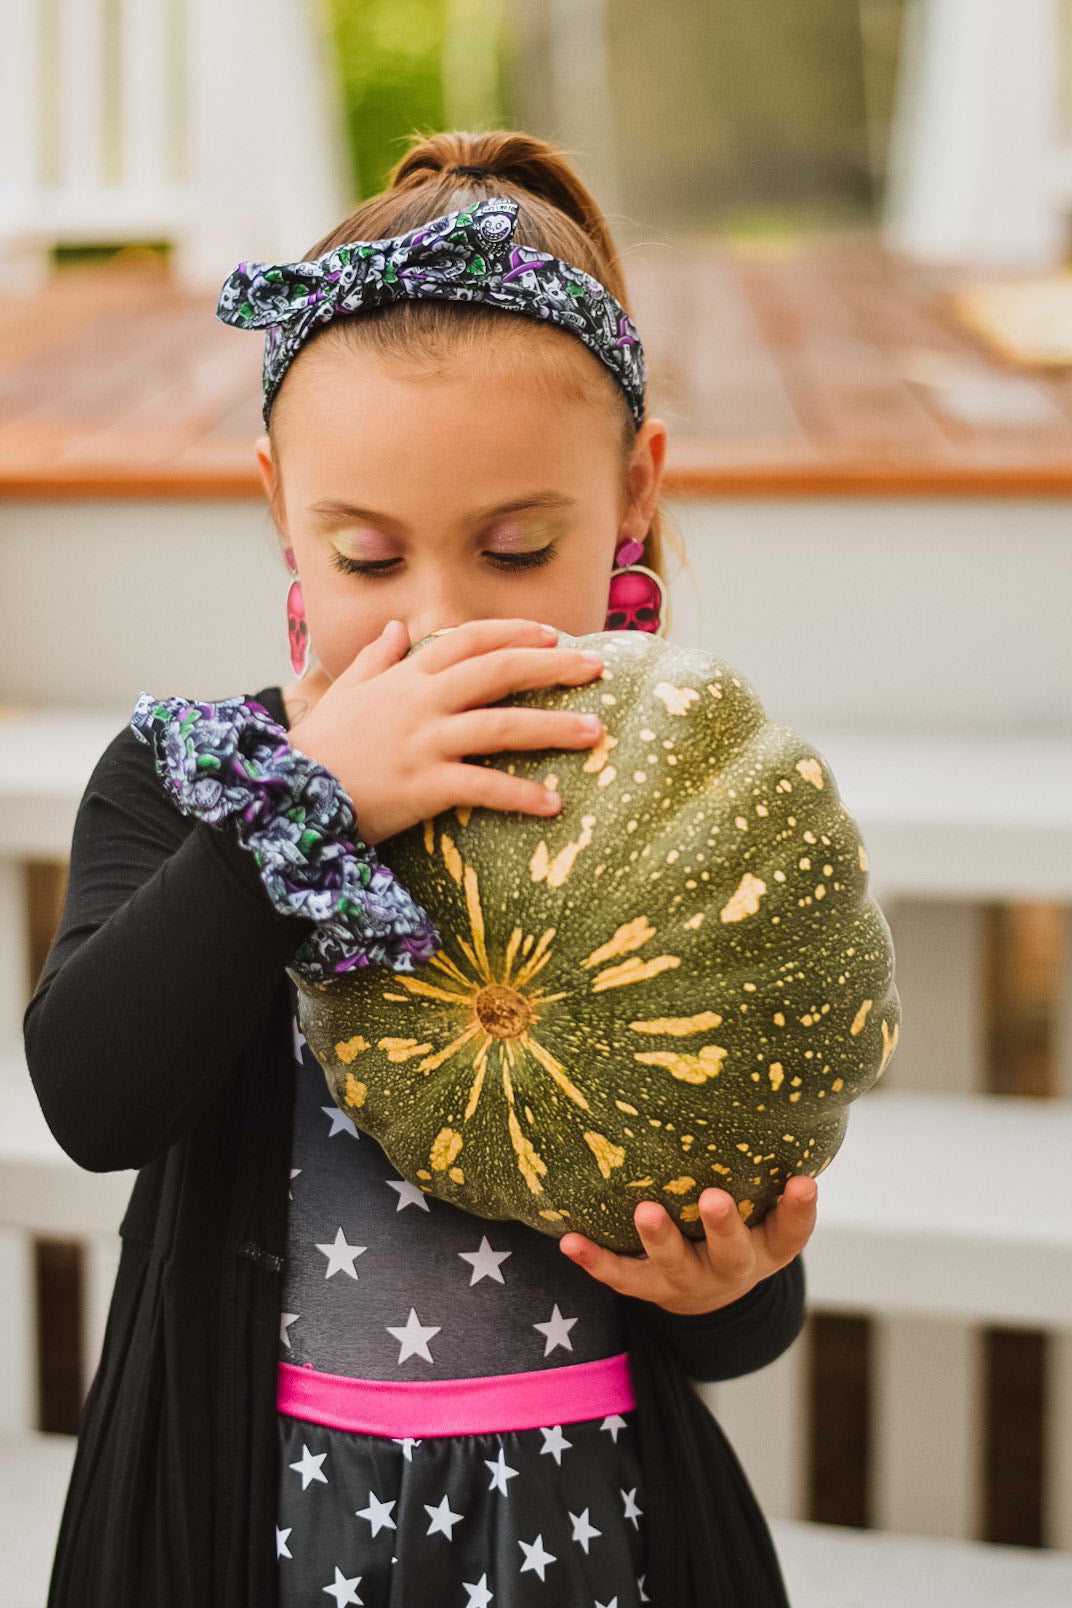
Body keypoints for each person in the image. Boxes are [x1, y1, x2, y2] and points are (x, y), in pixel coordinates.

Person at [24, 129, 817, 1608]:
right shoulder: (198, 780)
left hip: (582, 1525)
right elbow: (91, 1091)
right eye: (370, 558)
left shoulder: (678, 818)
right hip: (265, 1523)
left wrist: (732, 1280)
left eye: (518, 548)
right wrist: (304, 811)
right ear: (280, 507)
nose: (441, 619)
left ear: (633, 493)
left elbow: (732, 1311)